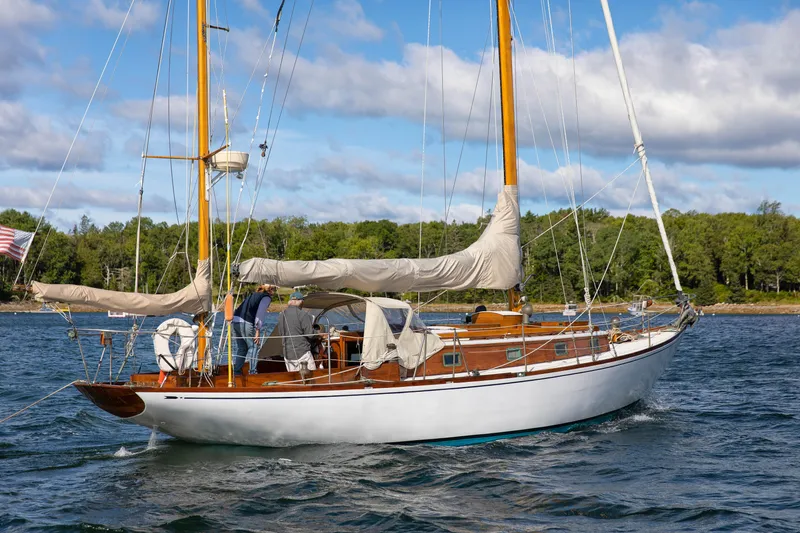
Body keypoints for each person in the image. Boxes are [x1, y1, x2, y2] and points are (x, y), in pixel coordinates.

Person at [232, 284, 275, 374]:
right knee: (254, 346)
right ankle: (252, 372)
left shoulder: (255, 294)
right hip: (245, 322)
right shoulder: (266, 297)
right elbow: (260, 313)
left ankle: (237, 372)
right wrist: (258, 330)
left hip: (235, 320)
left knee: (242, 348)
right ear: (271, 290)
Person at [277, 291, 317, 372]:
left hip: (288, 354)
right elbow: (310, 334)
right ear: (300, 302)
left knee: (294, 379)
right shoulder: (303, 314)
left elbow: (281, 333)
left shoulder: (281, 315)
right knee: (312, 378)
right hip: (303, 353)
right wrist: (319, 334)